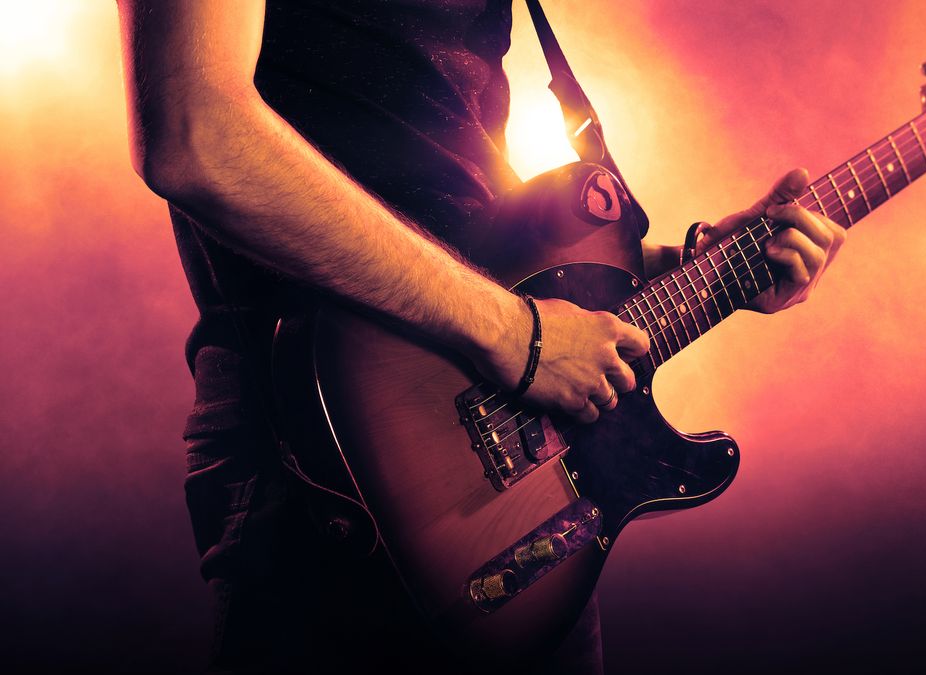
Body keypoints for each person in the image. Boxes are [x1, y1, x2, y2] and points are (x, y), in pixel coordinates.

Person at [116, 1, 846, 672]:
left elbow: (455, 221)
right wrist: (515, 334)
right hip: (323, 456)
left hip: (519, 479)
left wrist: (710, 266)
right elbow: (196, 133)